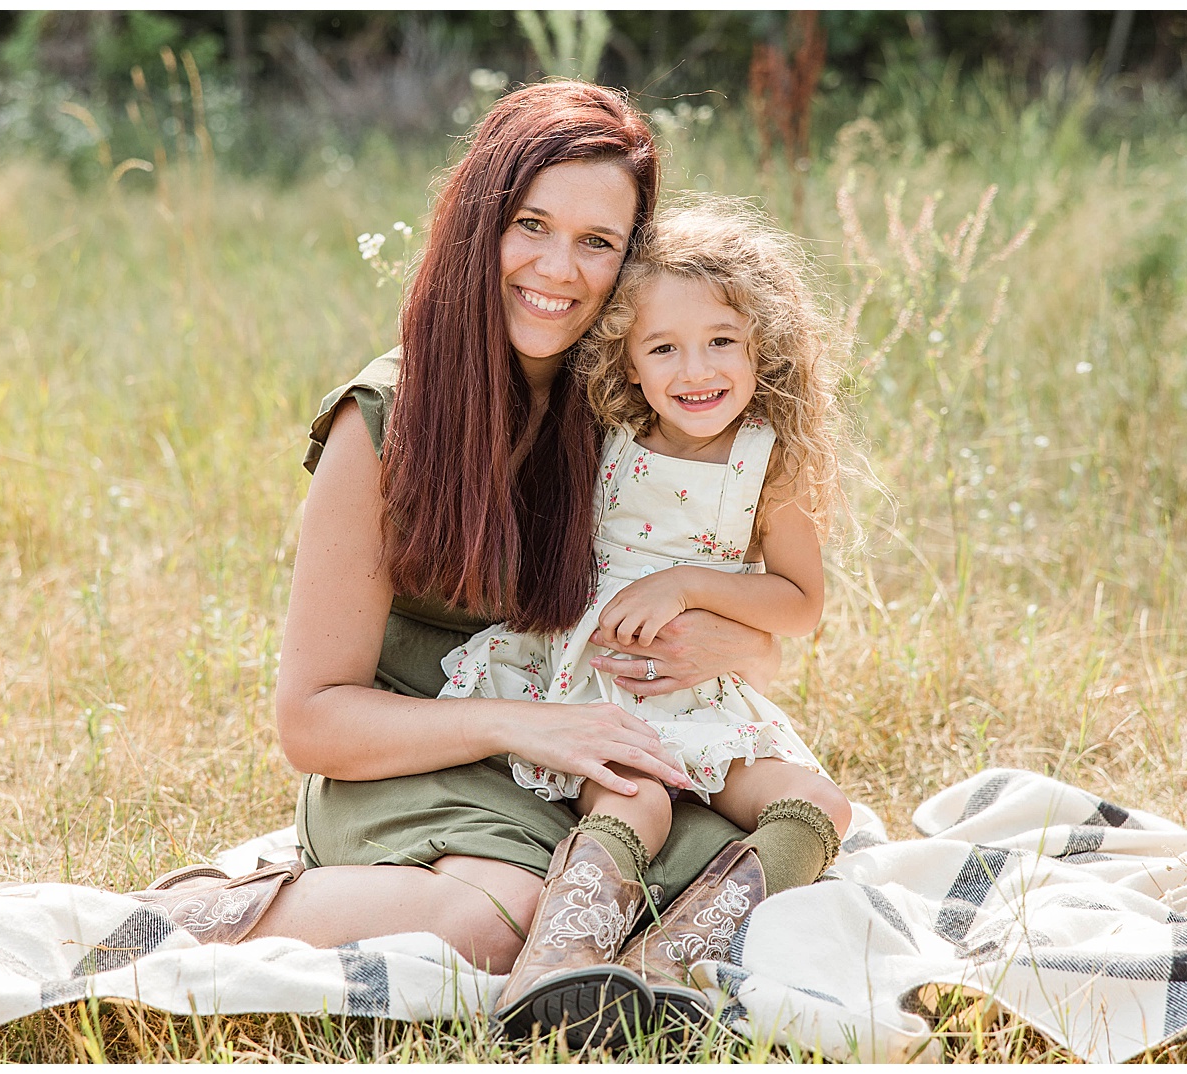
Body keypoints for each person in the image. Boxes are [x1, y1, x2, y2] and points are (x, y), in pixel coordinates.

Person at [128, 83, 785, 1049]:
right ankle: (168, 921)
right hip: (406, 757)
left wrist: (716, 650)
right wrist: (537, 725)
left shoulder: (634, 401)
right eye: (532, 225)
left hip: (570, 749)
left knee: (725, 876)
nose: (558, 269)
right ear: (481, 222)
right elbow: (313, 719)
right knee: (503, 918)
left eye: (598, 243)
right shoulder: (380, 422)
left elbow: (760, 642)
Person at [439, 201, 853, 1024]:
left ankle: (670, 965)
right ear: (628, 365)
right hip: (597, 678)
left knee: (821, 805)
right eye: (663, 348)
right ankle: (558, 970)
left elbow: (801, 605)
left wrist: (691, 585)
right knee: (639, 800)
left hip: (694, 693)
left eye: (721, 343)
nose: (695, 371)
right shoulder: (606, 440)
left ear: (760, 345)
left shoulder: (770, 467)